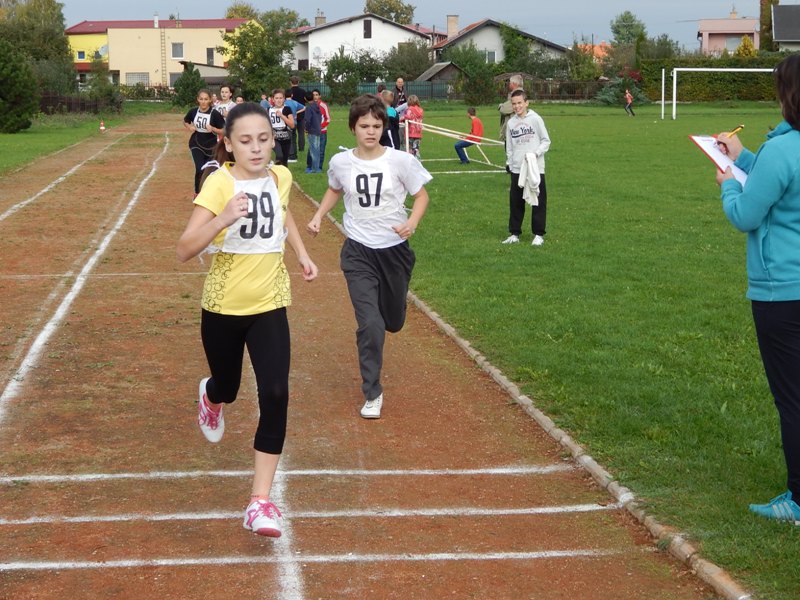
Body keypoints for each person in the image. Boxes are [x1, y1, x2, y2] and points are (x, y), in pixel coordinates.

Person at [176, 102, 318, 538]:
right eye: (246, 141)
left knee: (276, 392)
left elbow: (284, 210)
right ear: (229, 143)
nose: (256, 148)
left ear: (272, 140)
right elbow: (184, 248)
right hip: (223, 307)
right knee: (230, 386)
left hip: (270, 302)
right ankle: (212, 396)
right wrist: (224, 217)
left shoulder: (281, 176)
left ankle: (259, 501)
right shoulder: (219, 183)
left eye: (263, 139)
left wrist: (301, 252)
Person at [306, 94, 431, 419]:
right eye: (364, 126)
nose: (371, 131)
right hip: (358, 252)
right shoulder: (341, 162)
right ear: (353, 128)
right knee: (371, 324)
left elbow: (421, 196)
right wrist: (319, 215)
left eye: (376, 126)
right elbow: (335, 189)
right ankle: (372, 392)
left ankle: (395, 308)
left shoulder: (400, 161)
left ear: (383, 127)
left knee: (393, 322)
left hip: (394, 252)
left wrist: (412, 223)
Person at [715, 53, 800, 524]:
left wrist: (728, 183)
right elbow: (780, 185)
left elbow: (747, 214)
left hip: (782, 292)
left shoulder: (782, 149)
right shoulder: (778, 151)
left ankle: (798, 500)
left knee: (793, 398)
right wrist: (744, 157)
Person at [502, 88, 551, 247]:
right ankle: (514, 233)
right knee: (516, 202)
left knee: (538, 201)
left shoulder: (536, 119)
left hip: (535, 168)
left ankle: (538, 234)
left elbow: (546, 141)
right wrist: (510, 164)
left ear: (526, 103)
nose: (517, 106)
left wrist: (535, 154)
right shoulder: (511, 123)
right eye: (514, 104)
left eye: (519, 103)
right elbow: (509, 147)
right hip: (517, 168)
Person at [183, 88, 225, 196]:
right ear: (197, 99)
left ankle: (208, 192)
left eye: (206, 99)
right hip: (196, 143)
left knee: (209, 170)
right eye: (201, 99)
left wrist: (213, 129)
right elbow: (185, 121)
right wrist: (190, 127)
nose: (203, 102)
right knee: (199, 168)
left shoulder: (215, 114)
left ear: (210, 100)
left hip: (211, 145)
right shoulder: (193, 111)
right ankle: (197, 192)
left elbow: (224, 130)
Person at [268, 88, 294, 166]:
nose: (279, 100)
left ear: (284, 99)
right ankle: (276, 170)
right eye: (276, 98)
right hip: (275, 138)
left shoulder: (287, 109)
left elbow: (292, 125)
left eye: (280, 98)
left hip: (286, 138)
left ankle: (283, 173)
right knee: (279, 156)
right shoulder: (269, 110)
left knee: (284, 161)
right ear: (273, 99)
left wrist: (282, 116)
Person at [498, 74, 523, 143]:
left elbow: (504, 110)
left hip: (513, 131)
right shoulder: (520, 94)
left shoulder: (517, 95)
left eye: (510, 82)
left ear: (514, 84)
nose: (509, 84)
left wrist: (500, 106)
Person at [288, 76, 309, 155]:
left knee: (292, 133)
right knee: (301, 132)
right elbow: (306, 100)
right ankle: (301, 147)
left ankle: (293, 147)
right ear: (298, 82)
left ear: (290, 82)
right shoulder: (302, 91)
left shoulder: (289, 92)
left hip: (291, 114)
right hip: (301, 114)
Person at [285, 90, 305, 163]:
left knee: (288, 139)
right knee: (293, 139)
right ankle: (294, 154)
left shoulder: (284, 103)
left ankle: (291, 156)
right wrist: (296, 112)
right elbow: (304, 107)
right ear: (292, 95)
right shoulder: (295, 102)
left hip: (288, 122)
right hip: (295, 122)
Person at [304, 96, 322, 174]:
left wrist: (306, 128)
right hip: (318, 129)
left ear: (305, 98)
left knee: (312, 150)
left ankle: (315, 169)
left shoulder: (309, 108)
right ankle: (317, 167)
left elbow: (307, 120)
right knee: (317, 149)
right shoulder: (317, 106)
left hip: (312, 130)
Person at [315, 89, 331, 170]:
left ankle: (319, 167)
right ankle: (311, 166)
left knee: (321, 151)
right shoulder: (310, 106)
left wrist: (320, 126)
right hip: (313, 132)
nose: (315, 97)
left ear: (319, 96)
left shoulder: (323, 105)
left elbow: (328, 119)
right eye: (313, 95)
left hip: (322, 132)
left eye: (317, 95)